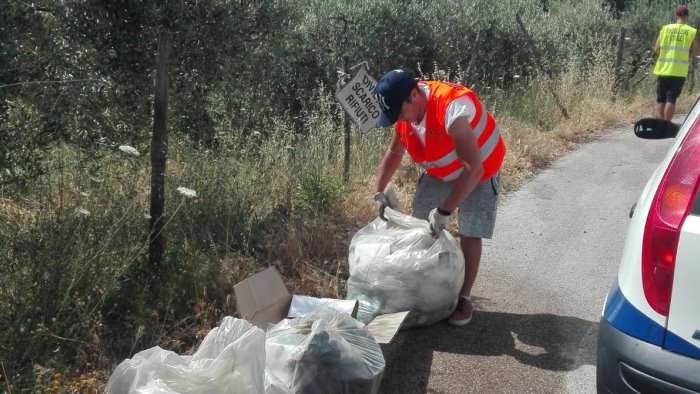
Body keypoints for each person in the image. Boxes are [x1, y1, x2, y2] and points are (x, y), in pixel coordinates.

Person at [372, 69, 506, 326]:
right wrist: (379, 191)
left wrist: (445, 211)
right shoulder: (404, 116)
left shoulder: (451, 108)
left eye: (400, 112)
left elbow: (473, 168)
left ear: (413, 95)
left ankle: (464, 298)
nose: (399, 119)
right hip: (443, 170)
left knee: (470, 231)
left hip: (480, 169)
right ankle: (424, 287)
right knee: (421, 223)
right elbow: (394, 153)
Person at [653, 4, 698, 121]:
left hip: (663, 69)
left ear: (676, 15)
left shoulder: (665, 29)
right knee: (671, 99)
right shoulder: (691, 32)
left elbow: (656, 49)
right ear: (687, 16)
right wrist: (685, 56)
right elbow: (694, 53)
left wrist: (666, 54)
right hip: (679, 71)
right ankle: (667, 123)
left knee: (661, 98)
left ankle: (661, 122)